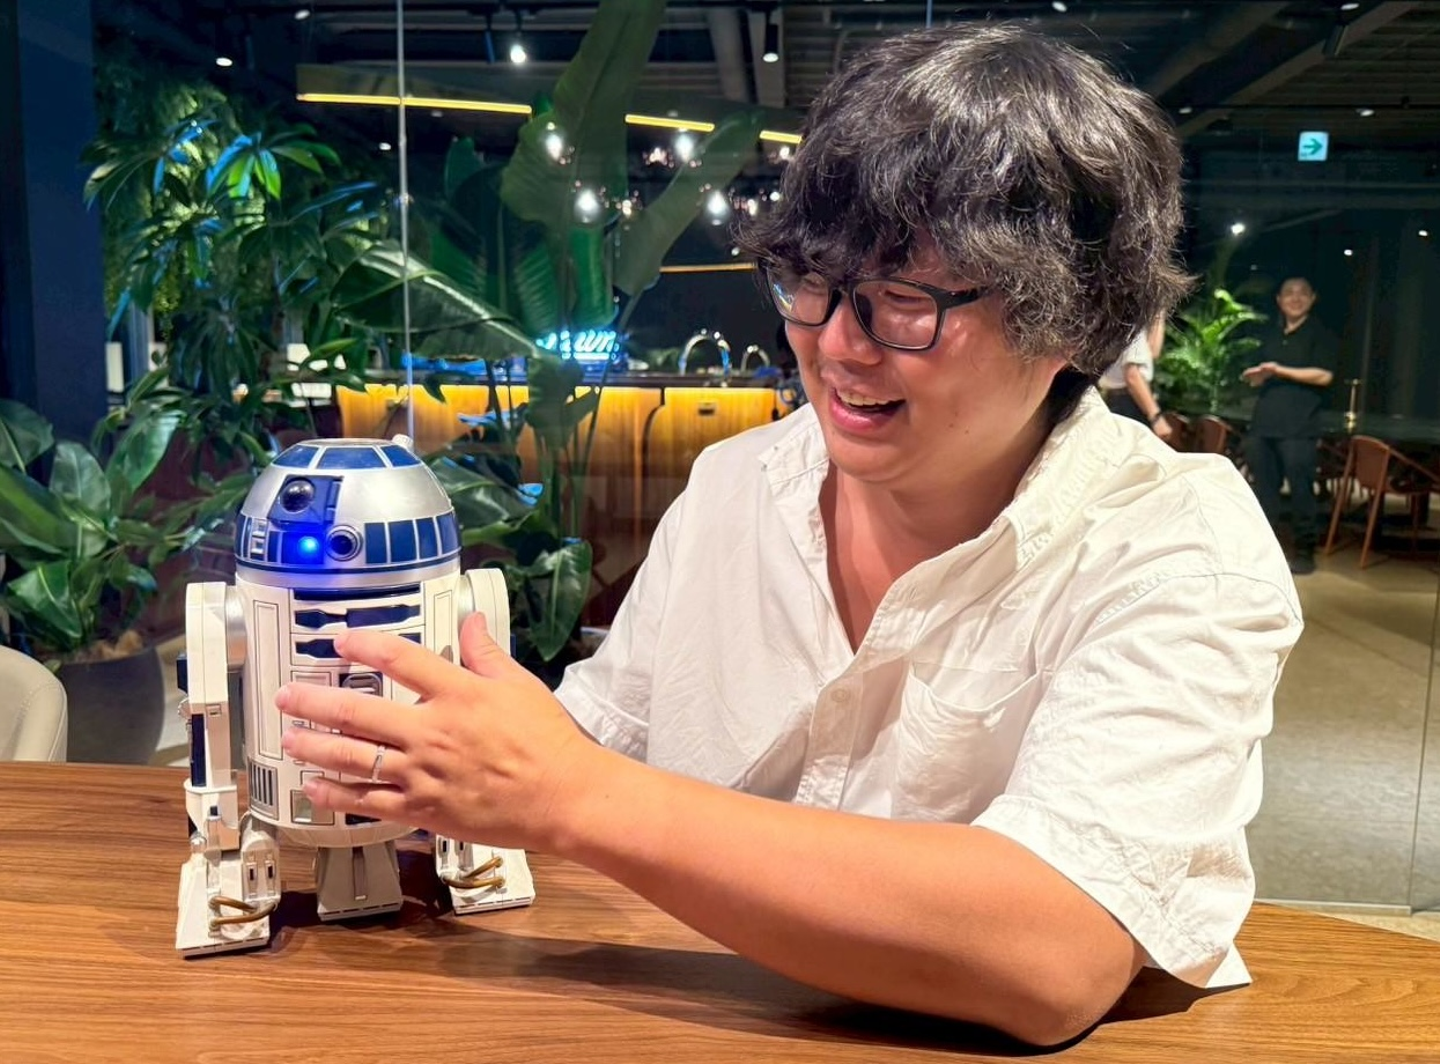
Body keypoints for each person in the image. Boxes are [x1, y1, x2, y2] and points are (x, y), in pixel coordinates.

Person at [276, 24, 1301, 1047]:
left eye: (903, 300)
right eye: (812, 281)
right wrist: (446, 760)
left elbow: (1053, 951)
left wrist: (570, 794)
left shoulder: (1174, 544)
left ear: (1069, 321)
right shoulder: (738, 485)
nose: (836, 343)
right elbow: (603, 735)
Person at [1242, 278, 1338, 575]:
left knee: (1301, 490)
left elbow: (1324, 376)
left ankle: (1305, 551)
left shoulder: (1320, 334)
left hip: (1300, 425)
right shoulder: (1270, 334)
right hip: (1264, 423)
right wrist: (1257, 376)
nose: (1295, 299)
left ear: (1313, 298)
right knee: (1264, 490)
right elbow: (1256, 376)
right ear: (1279, 300)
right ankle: (1263, 552)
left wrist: (1279, 370)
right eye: (1289, 294)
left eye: (1302, 294)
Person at [1098, 315, 1174, 442]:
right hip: (1130, 402)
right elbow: (1132, 376)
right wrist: (1156, 417)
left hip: (1116, 400)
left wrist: (1159, 317)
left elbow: (1153, 353)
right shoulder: (1132, 324)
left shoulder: (1115, 322)